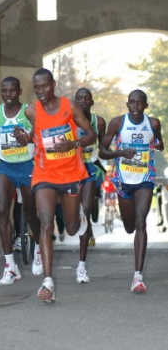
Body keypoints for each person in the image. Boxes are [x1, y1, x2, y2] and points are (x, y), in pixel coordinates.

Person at [14, 68, 97, 303]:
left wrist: (74, 143)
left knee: (71, 228)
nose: (41, 91)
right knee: (46, 220)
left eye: (45, 86)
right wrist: (26, 138)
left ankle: (77, 215)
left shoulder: (69, 107)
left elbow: (91, 135)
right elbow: (37, 134)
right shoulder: (31, 111)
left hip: (71, 174)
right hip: (44, 174)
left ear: (54, 84)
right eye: (36, 87)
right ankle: (48, 282)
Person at [99, 89, 164, 293]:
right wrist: (120, 152)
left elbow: (160, 143)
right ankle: (130, 229)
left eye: (140, 103)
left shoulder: (153, 123)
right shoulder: (118, 123)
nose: (136, 107)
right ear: (128, 105)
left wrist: (159, 144)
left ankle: (138, 276)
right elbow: (103, 150)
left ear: (145, 106)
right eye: (132, 103)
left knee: (140, 222)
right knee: (129, 226)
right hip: (123, 180)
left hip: (145, 179)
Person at [0, 76, 42, 286]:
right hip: (5, 165)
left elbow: (39, 133)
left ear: (19, 92)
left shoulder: (29, 111)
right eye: (4, 91)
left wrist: (28, 137)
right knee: (2, 210)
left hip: (27, 164)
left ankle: (38, 248)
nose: (8, 95)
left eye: (12, 91)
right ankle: (10, 266)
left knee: (29, 212)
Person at [74, 88, 106, 283]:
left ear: (92, 102)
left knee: (85, 213)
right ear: (75, 102)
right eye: (79, 98)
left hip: (90, 170)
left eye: (87, 98)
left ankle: (81, 267)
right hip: (70, 170)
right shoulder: (67, 120)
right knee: (71, 218)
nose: (83, 101)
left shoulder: (99, 122)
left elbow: (104, 149)